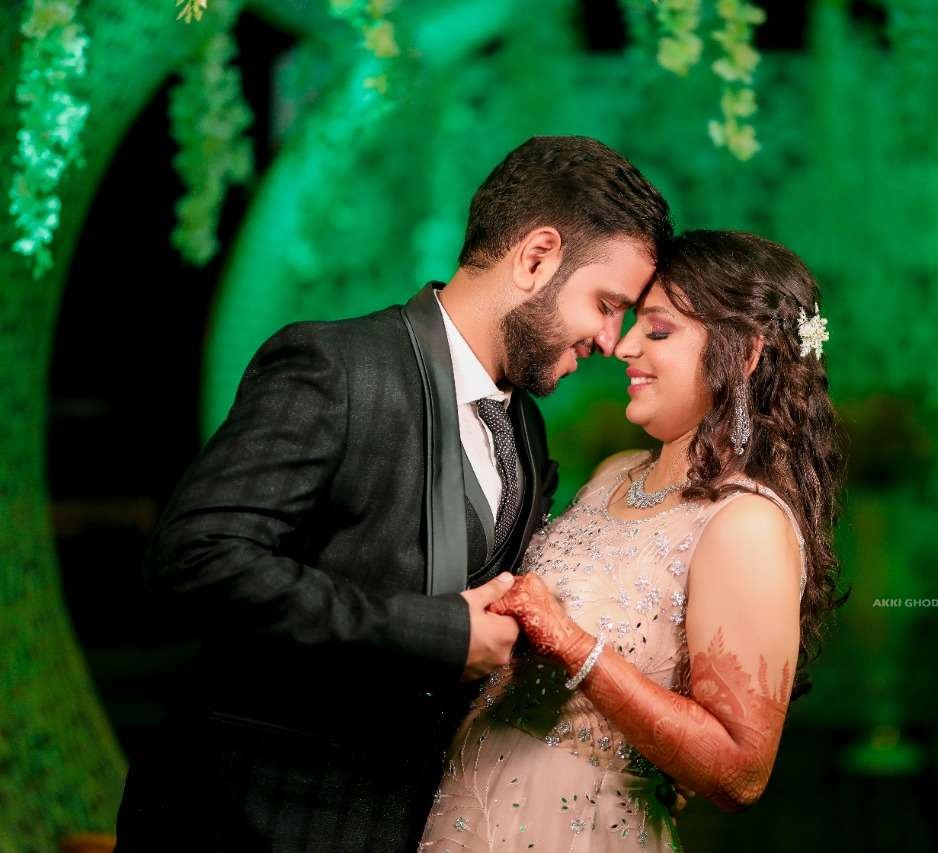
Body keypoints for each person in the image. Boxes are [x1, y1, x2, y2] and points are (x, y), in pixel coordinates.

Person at [114, 136, 672, 853]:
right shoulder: (335, 367)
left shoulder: (527, 431)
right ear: (535, 257)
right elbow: (196, 558)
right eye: (606, 304)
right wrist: (435, 633)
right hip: (252, 821)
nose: (611, 340)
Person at [418, 230, 844, 851]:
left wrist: (573, 646)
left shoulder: (746, 523)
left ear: (744, 355)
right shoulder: (613, 474)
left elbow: (740, 771)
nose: (622, 346)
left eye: (659, 330)